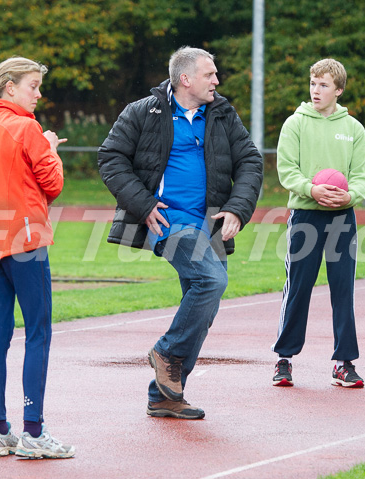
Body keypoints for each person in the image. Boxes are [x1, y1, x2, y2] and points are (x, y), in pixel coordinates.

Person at [97, 46, 263, 419]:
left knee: (202, 305)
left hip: (210, 224)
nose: (217, 81)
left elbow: (250, 160)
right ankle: (167, 352)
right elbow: (110, 157)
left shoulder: (222, 113)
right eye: (210, 75)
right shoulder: (144, 111)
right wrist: (142, 204)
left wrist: (238, 208)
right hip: (169, 223)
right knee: (211, 282)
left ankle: (164, 396)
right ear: (185, 79)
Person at [0, 57, 75, 458]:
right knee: (38, 333)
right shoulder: (27, 128)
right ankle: (34, 433)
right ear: (9, 88)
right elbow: (53, 184)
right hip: (25, 241)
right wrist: (52, 149)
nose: (38, 94)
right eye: (33, 86)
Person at [271, 58, 365, 388]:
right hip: (305, 216)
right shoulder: (295, 124)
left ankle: (344, 363)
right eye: (313, 83)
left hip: (342, 217)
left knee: (343, 289)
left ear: (338, 90)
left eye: (324, 85)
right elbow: (287, 170)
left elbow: (362, 175)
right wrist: (311, 189)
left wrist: (350, 196)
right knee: (298, 288)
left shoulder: (353, 129)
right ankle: (283, 360)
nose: (316, 90)